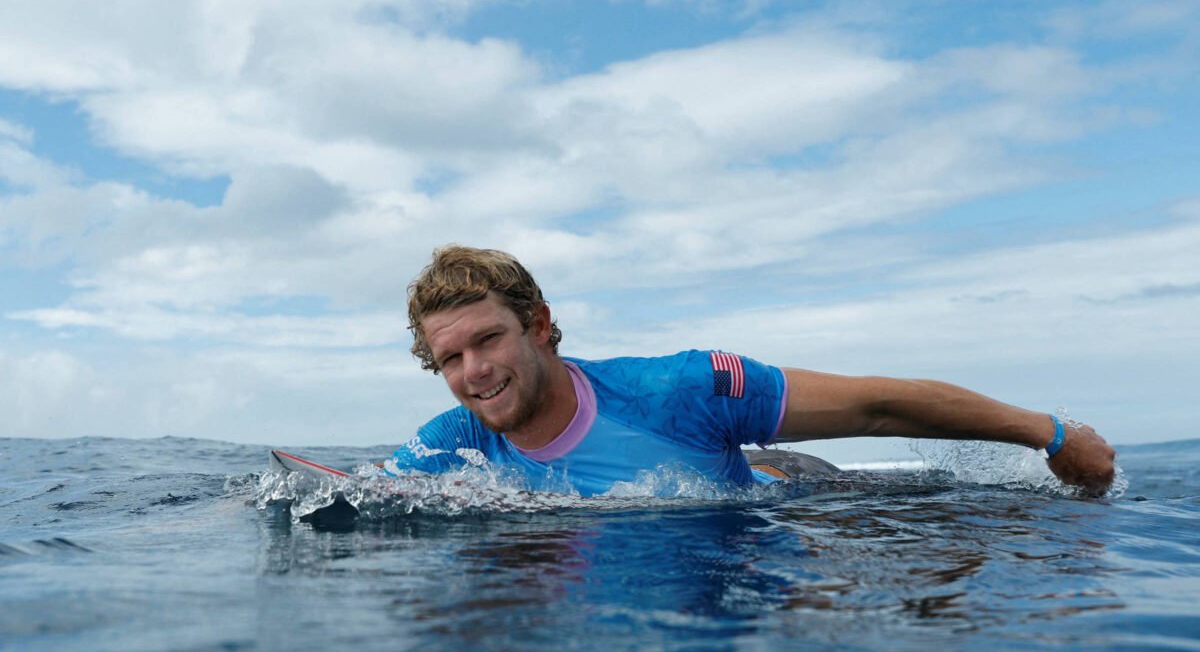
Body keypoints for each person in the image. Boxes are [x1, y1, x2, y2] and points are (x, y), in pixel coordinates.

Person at [387, 245, 1116, 497]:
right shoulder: (454, 438)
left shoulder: (680, 389)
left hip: (795, 491)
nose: (474, 370)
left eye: (488, 340)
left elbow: (875, 407)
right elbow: (358, 498)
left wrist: (1050, 434)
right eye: (450, 357)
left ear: (539, 326)